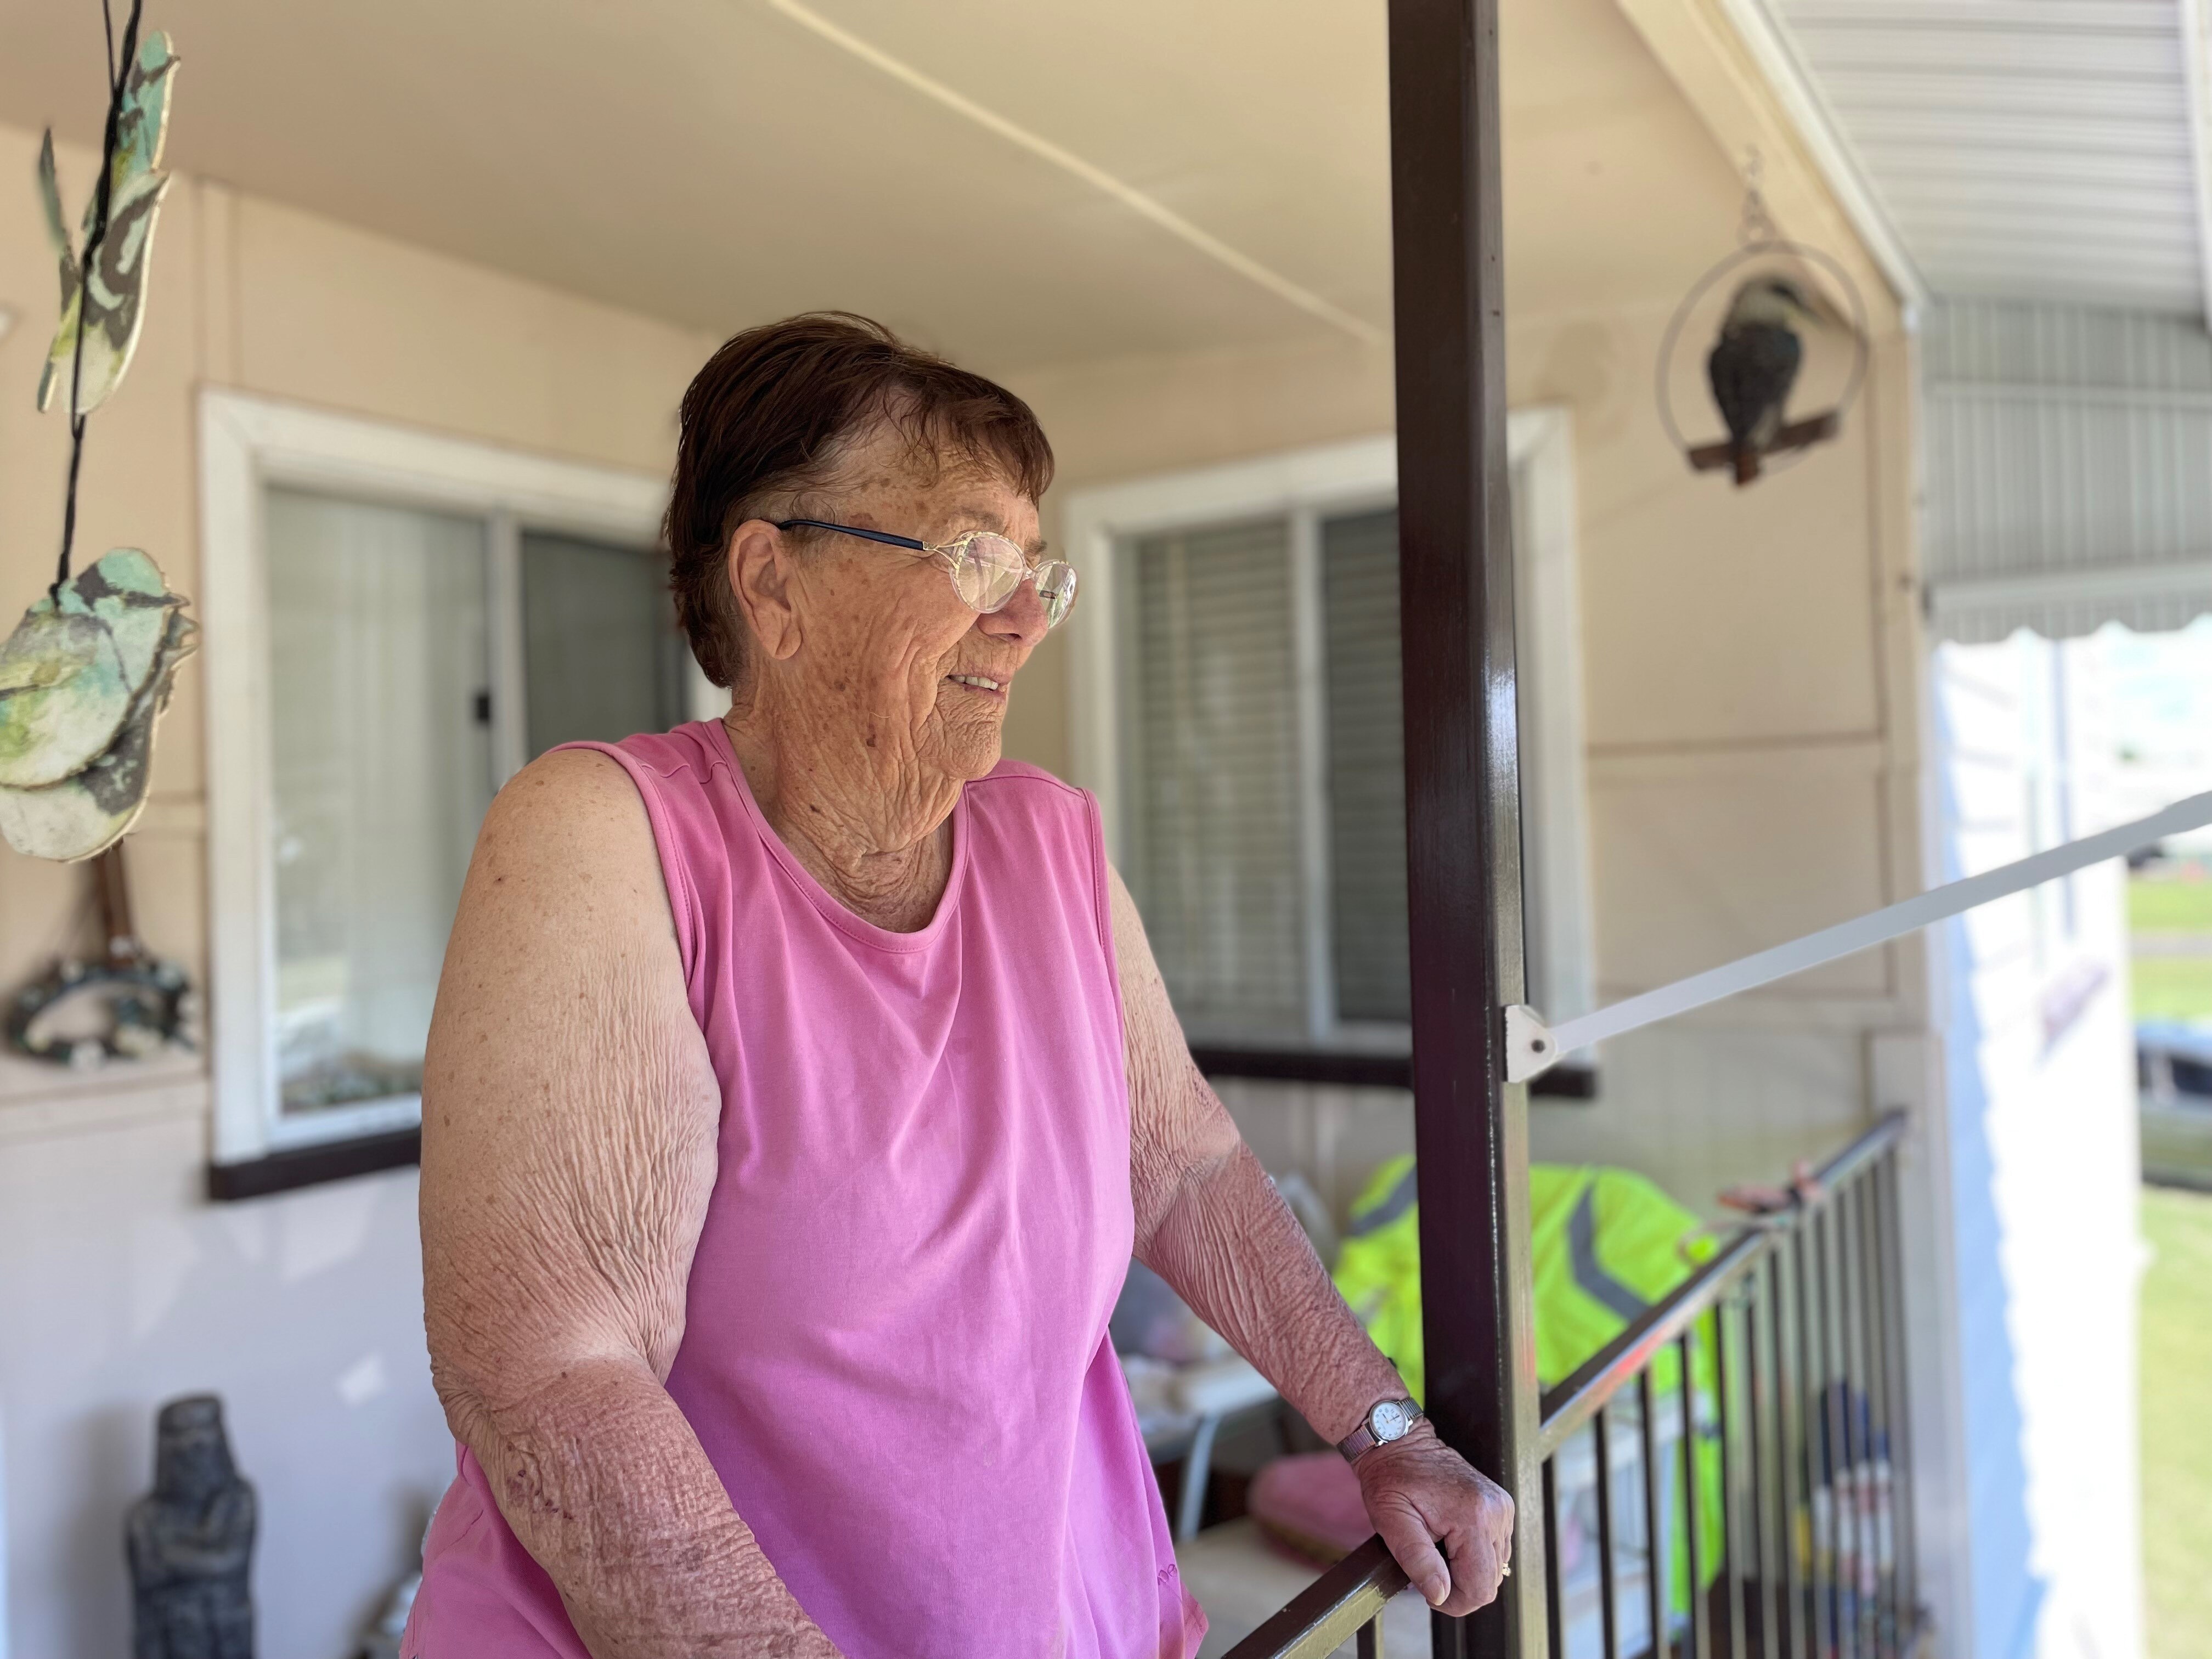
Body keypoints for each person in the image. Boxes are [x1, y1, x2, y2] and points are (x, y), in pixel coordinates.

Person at [403, 312, 1512, 1659]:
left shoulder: (1051, 839)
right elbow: (549, 1373)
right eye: (976, 551)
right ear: (773, 586)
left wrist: (1384, 1432)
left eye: (1039, 571)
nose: (1023, 614)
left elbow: (1185, 1169)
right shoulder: (604, 833)